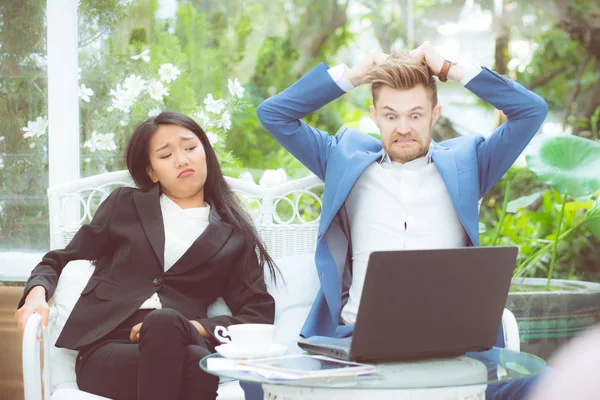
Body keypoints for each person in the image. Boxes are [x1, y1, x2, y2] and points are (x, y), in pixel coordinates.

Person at [255, 41, 548, 400]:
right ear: (374, 114)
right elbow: (274, 114)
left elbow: (531, 111)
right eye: (391, 115)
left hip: (453, 343)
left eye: (415, 114)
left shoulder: (470, 164)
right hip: (357, 339)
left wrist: (449, 69)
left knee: (547, 383)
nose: (404, 128)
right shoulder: (342, 159)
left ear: (435, 114)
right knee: (258, 382)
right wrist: (354, 75)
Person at [15, 111, 277, 400]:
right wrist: (36, 296)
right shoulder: (125, 205)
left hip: (183, 338)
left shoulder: (233, 234)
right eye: (166, 156)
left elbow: (258, 313)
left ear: (205, 153)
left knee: (169, 329)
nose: (181, 160)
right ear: (151, 171)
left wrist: (194, 326)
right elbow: (60, 258)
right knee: (197, 367)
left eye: (190, 148)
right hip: (109, 350)